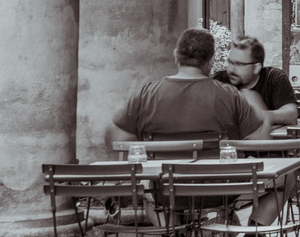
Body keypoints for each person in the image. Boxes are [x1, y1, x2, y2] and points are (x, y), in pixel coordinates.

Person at [110, 28, 281, 224]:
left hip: (164, 190)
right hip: (223, 190)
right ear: (210, 61)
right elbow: (260, 142)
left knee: (149, 190)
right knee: (287, 178)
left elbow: (119, 139)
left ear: (176, 56)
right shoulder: (231, 96)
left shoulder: (145, 94)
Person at [215, 35, 299, 128]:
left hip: (268, 141)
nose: (231, 69)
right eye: (230, 62)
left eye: (239, 64)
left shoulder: (274, 78)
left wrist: (256, 116)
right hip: (228, 142)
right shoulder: (220, 80)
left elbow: (291, 115)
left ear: (256, 68)